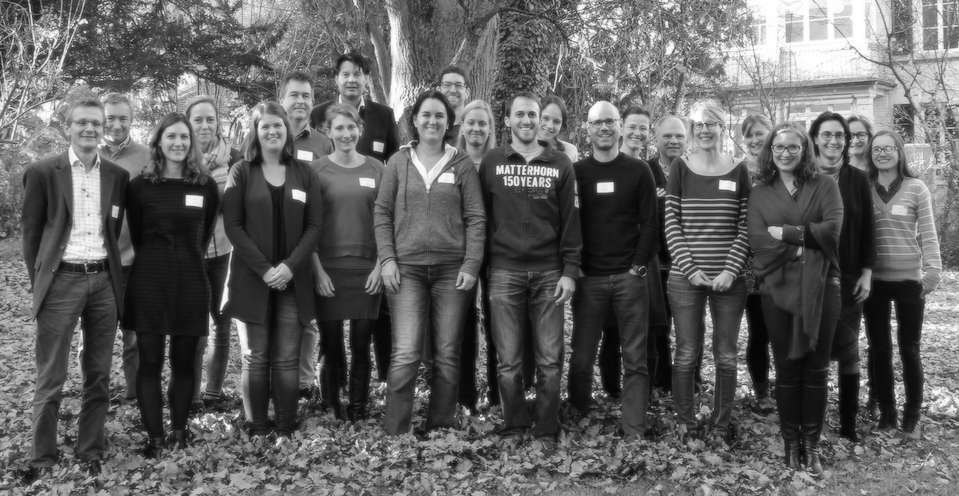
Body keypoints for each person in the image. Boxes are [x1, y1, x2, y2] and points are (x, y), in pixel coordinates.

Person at [20, 97, 129, 482]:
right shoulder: (42, 172)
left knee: (98, 374)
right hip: (60, 281)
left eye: (96, 123)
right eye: (82, 122)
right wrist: (42, 283)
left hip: (103, 282)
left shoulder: (117, 175)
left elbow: (113, 230)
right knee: (51, 375)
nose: (89, 129)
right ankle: (42, 457)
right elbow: (31, 237)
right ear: (67, 127)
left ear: (103, 128)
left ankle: (90, 449)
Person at [373, 90, 486, 435]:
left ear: (449, 122)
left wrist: (471, 265)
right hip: (406, 269)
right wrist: (387, 259)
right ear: (415, 120)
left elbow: (476, 217)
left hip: (452, 270)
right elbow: (382, 212)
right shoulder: (398, 162)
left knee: (447, 353)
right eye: (426, 114)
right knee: (406, 353)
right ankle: (397, 432)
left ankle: (439, 428)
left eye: (439, 115)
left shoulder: (461, 163)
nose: (433, 121)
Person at [480, 91, 582, 439]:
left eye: (532, 114)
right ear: (507, 120)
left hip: (549, 272)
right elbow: (481, 218)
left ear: (541, 120)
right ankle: (515, 424)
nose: (526, 120)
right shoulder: (492, 162)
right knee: (508, 361)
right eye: (519, 114)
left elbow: (570, 221)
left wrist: (570, 271)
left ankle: (547, 427)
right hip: (503, 271)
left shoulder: (560, 164)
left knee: (550, 360)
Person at [222, 102, 324, 437]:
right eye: (265, 126)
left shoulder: (304, 172)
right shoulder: (242, 171)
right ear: (255, 131)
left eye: (278, 125)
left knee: (286, 358)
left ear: (287, 129)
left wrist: (290, 267)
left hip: (293, 280)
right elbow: (233, 226)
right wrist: (266, 270)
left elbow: (314, 226)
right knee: (255, 356)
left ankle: (284, 427)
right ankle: (257, 427)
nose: (272, 131)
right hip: (252, 277)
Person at [748, 121, 843, 475]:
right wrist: (805, 247)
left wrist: (788, 233)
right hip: (776, 289)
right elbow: (759, 240)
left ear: (805, 149)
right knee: (786, 370)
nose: (785, 153)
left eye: (793, 147)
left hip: (822, 287)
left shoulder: (825, 184)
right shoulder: (760, 192)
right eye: (779, 147)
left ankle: (812, 446)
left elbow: (833, 231)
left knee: (816, 370)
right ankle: (791, 444)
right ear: (770, 150)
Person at [123, 113, 219, 456]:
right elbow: (138, 235)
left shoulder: (205, 185)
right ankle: (155, 438)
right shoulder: (139, 187)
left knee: (184, 361)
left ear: (191, 143)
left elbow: (204, 234)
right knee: (149, 362)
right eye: (171, 137)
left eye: (184, 137)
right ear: (158, 142)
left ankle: (178, 432)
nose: (178, 143)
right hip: (149, 282)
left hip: (191, 282)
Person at [568, 102, 659, 440]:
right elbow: (567, 222)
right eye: (597, 122)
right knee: (581, 357)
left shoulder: (638, 170)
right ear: (587, 129)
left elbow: (651, 222)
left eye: (610, 121)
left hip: (629, 278)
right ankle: (579, 419)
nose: (604, 128)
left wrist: (638, 265)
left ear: (619, 126)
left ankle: (634, 429)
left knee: (635, 359)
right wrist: (575, 268)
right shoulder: (576, 172)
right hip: (588, 279)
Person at [310, 52, 400, 384]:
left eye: (358, 73)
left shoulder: (382, 119)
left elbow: (393, 173)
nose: (351, 79)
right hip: (330, 256)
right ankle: (332, 394)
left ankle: (375, 388)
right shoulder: (318, 121)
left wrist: (383, 259)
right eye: (345, 73)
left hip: (368, 252)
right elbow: (311, 218)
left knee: (369, 333)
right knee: (331, 341)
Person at [664, 102, 750, 445]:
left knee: (726, 355)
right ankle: (685, 423)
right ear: (691, 129)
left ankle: (720, 424)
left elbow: (745, 225)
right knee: (686, 352)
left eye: (711, 124)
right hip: (686, 279)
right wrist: (690, 268)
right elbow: (671, 222)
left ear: (722, 128)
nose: (704, 130)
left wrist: (731, 269)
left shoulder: (739, 170)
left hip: (730, 280)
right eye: (698, 124)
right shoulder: (680, 168)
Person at [863, 130, 941, 441]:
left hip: (910, 281)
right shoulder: (864, 188)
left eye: (888, 148)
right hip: (874, 282)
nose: (882, 154)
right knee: (879, 349)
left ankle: (912, 415)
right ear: (870, 154)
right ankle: (887, 413)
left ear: (899, 152)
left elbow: (929, 233)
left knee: (910, 349)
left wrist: (933, 272)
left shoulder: (916, 188)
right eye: (876, 149)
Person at [311, 104, 385, 421]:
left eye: (351, 127)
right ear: (328, 131)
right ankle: (331, 406)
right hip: (327, 269)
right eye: (339, 128)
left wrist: (381, 265)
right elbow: (308, 225)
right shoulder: (316, 170)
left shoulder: (377, 168)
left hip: (368, 269)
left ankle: (357, 407)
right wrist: (316, 270)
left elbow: (388, 220)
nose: (346, 134)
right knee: (330, 344)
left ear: (360, 130)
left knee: (361, 343)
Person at [809, 111, 876, 441]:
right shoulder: (804, 176)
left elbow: (867, 228)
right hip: (810, 276)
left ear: (846, 141)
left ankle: (848, 425)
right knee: (814, 351)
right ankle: (815, 422)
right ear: (815, 138)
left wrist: (867, 272)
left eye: (840, 135)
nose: (833, 141)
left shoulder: (857, 179)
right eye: (827, 134)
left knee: (849, 352)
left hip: (848, 277)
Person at [278, 70, 334, 400]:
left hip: (309, 241)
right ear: (282, 98)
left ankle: (303, 381)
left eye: (307, 96)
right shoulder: (267, 132)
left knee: (307, 315)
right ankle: (274, 376)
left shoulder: (322, 143)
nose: (300, 101)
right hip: (270, 240)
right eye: (294, 95)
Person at [183, 95, 242, 409]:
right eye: (198, 120)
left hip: (225, 253)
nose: (205, 125)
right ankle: (191, 396)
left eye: (210, 119)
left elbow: (241, 203)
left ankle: (213, 392)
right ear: (188, 123)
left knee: (221, 324)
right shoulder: (179, 156)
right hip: (190, 254)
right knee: (193, 328)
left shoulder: (235, 158)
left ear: (218, 122)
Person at [97, 92, 150, 406]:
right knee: (93, 338)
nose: (116, 125)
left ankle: (134, 395)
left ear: (132, 120)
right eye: (110, 118)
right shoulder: (87, 151)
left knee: (134, 337)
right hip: (97, 262)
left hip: (133, 261)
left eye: (123, 118)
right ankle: (96, 396)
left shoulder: (145, 157)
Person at [455, 99, 497, 412]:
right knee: (464, 326)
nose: (476, 128)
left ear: (491, 128)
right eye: (471, 122)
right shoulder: (452, 161)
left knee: (496, 326)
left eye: (483, 123)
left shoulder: (499, 162)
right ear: (462, 127)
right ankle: (465, 397)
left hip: (496, 254)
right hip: (461, 253)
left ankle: (498, 394)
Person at [740, 113, 776, 410]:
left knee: (783, 329)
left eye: (759, 133)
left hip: (783, 260)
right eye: (749, 135)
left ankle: (786, 385)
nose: (754, 140)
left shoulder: (784, 167)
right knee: (758, 329)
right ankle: (762, 392)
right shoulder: (739, 171)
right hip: (748, 262)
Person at [538, 95, 579, 163]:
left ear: (562, 125)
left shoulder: (569, 151)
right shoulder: (520, 150)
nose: (550, 126)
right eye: (545, 118)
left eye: (556, 122)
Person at [439, 66, 470, 143]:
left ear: (467, 92)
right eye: (447, 84)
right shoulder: (430, 126)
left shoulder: (473, 128)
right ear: (438, 90)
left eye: (458, 85)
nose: (453, 90)